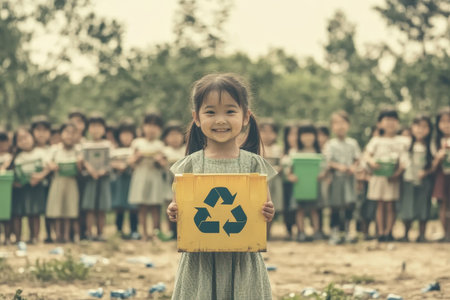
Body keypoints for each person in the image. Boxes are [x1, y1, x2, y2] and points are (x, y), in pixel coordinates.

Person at [166, 73, 275, 300]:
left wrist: (268, 211)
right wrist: (174, 211)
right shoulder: (190, 164)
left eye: (230, 111)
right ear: (196, 118)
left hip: (242, 260)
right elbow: (178, 205)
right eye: (211, 112)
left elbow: (265, 205)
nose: (220, 120)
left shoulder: (254, 163)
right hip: (200, 261)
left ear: (246, 117)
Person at [364, 108, 408, 242]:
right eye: (387, 120)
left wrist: (398, 173)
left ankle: (389, 231)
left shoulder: (402, 141)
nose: (390, 123)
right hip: (378, 177)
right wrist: (372, 162)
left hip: (392, 178)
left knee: (390, 205)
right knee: (380, 204)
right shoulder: (376, 140)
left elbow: (404, 161)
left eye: (393, 120)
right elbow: (366, 155)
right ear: (380, 123)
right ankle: (381, 232)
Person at [128, 112, 166, 241]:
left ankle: (155, 233)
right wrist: (137, 158)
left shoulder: (160, 144)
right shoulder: (137, 143)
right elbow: (131, 162)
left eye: (155, 126)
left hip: (154, 177)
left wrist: (160, 161)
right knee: (142, 207)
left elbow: (164, 165)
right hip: (141, 176)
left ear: (159, 129)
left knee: (155, 207)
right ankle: (144, 233)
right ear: (143, 127)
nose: (151, 128)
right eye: (149, 125)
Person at [324, 111, 361, 245]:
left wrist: (353, 167)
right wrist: (339, 166)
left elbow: (357, 159)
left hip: (349, 180)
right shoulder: (330, 144)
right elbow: (327, 161)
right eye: (336, 123)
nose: (340, 126)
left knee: (349, 205)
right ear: (332, 127)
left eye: (343, 123)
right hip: (336, 180)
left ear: (348, 125)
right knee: (335, 206)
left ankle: (346, 231)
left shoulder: (352, 143)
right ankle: (334, 232)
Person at [9, 127, 51, 243]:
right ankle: (21, 238)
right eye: (20, 139)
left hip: (37, 187)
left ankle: (35, 237)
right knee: (24, 211)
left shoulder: (40, 152)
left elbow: (48, 166)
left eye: (26, 137)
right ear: (16, 143)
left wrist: (40, 176)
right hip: (22, 189)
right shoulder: (17, 157)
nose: (24, 141)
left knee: (35, 212)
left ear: (32, 137)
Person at [398, 114, 434, 243]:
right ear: (412, 127)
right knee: (407, 206)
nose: (420, 129)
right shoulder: (406, 143)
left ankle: (422, 234)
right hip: (408, 179)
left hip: (425, 180)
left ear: (429, 129)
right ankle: (406, 233)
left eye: (424, 127)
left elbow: (434, 163)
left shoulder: (431, 145)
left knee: (423, 207)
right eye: (417, 126)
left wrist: (427, 171)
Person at [46, 123, 81, 243]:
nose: (69, 136)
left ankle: (66, 236)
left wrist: (79, 163)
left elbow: (81, 168)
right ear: (61, 134)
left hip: (71, 182)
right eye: (67, 132)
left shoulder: (78, 150)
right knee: (57, 209)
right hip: (57, 182)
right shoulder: (55, 149)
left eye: (72, 133)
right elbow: (47, 162)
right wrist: (52, 166)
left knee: (69, 209)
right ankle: (58, 236)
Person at [287, 122, 322, 242]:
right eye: (304, 135)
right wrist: (291, 176)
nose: (307, 138)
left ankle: (316, 231)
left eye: (310, 134)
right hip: (299, 186)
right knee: (299, 209)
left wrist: (322, 175)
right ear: (299, 137)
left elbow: (323, 168)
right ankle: (301, 232)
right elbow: (289, 170)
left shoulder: (318, 152)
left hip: (313, 186)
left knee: (314, 209)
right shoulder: (295, 152)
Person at [80, 113, 112, 241]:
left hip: (103, 179)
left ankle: (100, 233)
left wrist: (103, 170)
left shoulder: (107, 144)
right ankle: (89, 233)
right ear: (88, 129)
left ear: (104, 129)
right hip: (90, 179)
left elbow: (110, 161)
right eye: (93, 126)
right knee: (90, 207)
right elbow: (84, 161)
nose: (96, 129)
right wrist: (90, 170)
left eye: (99, 126)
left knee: (101, 208)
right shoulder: (85, 145)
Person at [110, 119, 139, 239]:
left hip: (133, 181)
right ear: (118, 135)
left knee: (133, 207)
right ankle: (119, 230)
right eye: (123, 134)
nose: (126, 137)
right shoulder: (114, 149)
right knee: (120, 206)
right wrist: (118, 165)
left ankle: (134, 230)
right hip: (120, 181)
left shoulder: (136, 149)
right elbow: (110, 163)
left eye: (129, 134)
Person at [161, 120, 186, 240]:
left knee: (183, 208)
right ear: (165, 138)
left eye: (177, 134)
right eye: (171, 135)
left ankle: (181, 232)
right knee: (170, 207)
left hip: (184, 184)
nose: (174, 138)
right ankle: (171, 232)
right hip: (168, 183)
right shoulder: (164, 151)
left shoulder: (186, 150)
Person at [31, 115, 54, 243]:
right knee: (35, 211)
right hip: (34, 185)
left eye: (45, 130)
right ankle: (35, 235)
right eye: (38, 130)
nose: (41, 134)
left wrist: (43, 174)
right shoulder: (30, 149)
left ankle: (50, 234)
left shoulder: (52, 149)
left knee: (49, 210)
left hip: (50, 184)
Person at [259, 118, 283, 239]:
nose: (267, 135)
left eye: (271, 132)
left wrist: (277, 169)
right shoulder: (257, 148)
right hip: (260, 181)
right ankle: (261, 233)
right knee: (260, 207)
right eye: (264, 132)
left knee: (272, 206)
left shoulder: (278, 148)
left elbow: (282, 163)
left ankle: (268, 233)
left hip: (274, 181)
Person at [431, 106, 450, 242]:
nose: (446, 124)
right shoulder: (435, 141)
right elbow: (432, 164)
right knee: (443, 204)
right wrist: (438, 158)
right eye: (442, 121)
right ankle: (446, 233)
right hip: (442, 176)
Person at [280, 123, 298, 239]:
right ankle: (289, 230)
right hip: (285, 183)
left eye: (296, 134)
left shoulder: (301, 151)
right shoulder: (283, 152)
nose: (294, 137)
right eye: (291, 134)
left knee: (297, 207)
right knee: (287, 206)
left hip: (298, 183)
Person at [0, 129, 12, 244]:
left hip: (6, 190)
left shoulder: (9, 156)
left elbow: (4, 167)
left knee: (6, 215)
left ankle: (7, 238)